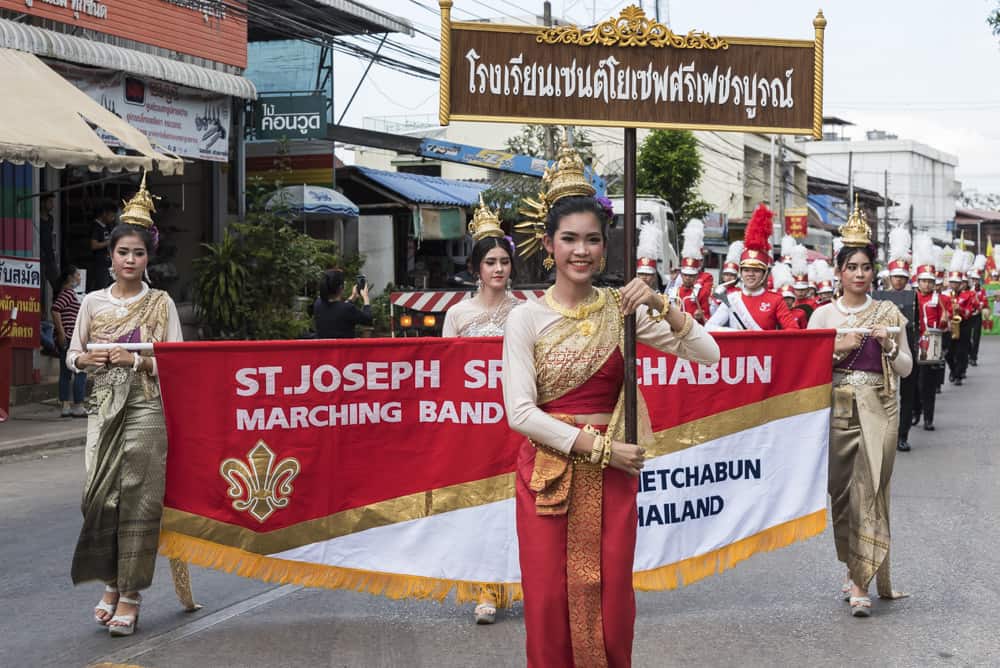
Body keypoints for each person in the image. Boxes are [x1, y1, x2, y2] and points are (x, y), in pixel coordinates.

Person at [502, 137, 720, 666]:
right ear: (549, 244)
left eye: (593, 240)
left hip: (614, 478)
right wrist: (601, 450)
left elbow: (707, 353)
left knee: (611, 600)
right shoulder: (525, 318)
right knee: (552, 601)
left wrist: (663, 304)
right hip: (551, 473)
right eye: (570, 239)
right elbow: (521, 413)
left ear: (606, 246)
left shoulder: (624, 310)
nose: (582, 251)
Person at [66, 174, 184, 637]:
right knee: (96, 497)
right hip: (102, 406)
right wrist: (88, 357)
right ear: (110, 256)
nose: (129, 260)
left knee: (138, 498)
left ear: (146, 257)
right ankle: (111, 583)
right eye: (122, 252)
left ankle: (131, 594)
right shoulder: (92, 303)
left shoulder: (161, 303)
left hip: (145, 407)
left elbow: (176, 362)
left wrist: (134, 361)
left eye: (138, 253)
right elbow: (73, 354)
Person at [808, 203, 912, 618]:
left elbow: (905, 366)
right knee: (842, 495)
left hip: (879, 410)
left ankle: (860, 582)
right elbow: (805, 369)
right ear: (838, 271)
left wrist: (888, 343)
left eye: (866, 267)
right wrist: (838, 348)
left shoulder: (889, 314)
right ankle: (853, 564)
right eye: (851, 267)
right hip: (834, 412)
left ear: (874, 272)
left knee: (870, 493)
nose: (859, 274)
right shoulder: (822, 316)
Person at [442, 198, 522, 624]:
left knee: (516, 506)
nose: (498, 269)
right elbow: (447, 376)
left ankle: (520, 582)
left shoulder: (526, 312)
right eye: (490, 261)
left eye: (504, 261)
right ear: (476, 268)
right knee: (479, 507)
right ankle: (484, 589)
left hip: (517, 420)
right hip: (473, 427)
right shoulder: (457, 315)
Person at [707, 204, 800, 331]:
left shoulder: (776, 300)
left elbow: (793, 331)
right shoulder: (732, 299)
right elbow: (709, 327)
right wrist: (736, 333)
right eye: (746, 270)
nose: (750, 274)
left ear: (764, 274)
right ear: (740, 272)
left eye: (756, 270)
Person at [910, 235, 950, 432]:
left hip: (932, 344)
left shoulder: (938, 298)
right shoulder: (911, 297)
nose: (926, 285)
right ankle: (915, 411)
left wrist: (944, 321)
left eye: (929, 281)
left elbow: (946, 319)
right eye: (923, 281)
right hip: (914, 343)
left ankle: (928, 418)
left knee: (928, 383)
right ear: (918, 281)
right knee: (914, 382)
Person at [885, 227, 917, 452]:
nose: (899, 280)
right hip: (885, 346)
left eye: (902, 277)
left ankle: (903, 435)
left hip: (908, 345)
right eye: (896, 276)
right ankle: (886, 432)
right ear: (889, 276)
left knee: (907, 393)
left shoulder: (915, 297)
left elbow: (922, 323)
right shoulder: (878, 297)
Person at [51, 265, 87, 418]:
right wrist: (61, 333)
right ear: (70, 278)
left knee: (66, 373)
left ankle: (66, 406)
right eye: (77, 275)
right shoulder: (68, 294)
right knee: (80, 371)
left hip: (69, 338)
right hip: (71, 339)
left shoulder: (67, 293)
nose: (79, 278)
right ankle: (78, 405)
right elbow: (55, 310)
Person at [313, 270, 372, 339]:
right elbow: (368, 319)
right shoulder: (348, 309)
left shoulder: (318, 304)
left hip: (324, 348)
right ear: (341, 288)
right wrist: (366, 297)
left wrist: (352, 297)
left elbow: (337, 309)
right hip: (344, 349)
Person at [673, 219, 710, 324]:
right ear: (681, 274)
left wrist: (700, 315)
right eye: (685, 275)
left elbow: (707, 317)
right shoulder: (674, 291)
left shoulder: (700, 292)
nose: (688, 278)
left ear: (696, 276)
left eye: (691, 275)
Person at [89, 200, 117, 292]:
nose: (113, 218)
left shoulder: (107, 226)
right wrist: (108, 242)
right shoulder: (96, 226)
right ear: (104, 213)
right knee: (101, 289)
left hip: (108, 263)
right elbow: (94, 245)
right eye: (111, 216)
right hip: (100, 264)